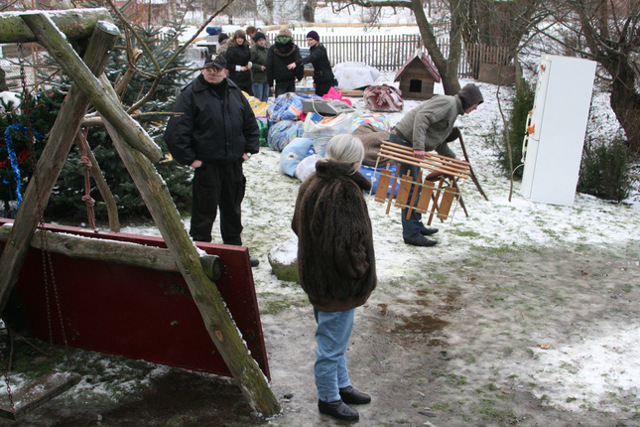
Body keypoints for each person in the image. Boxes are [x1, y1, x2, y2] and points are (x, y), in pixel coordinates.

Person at [291, 134, 377, 422]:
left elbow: (297, 224)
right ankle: (328, 398)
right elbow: (350, 246)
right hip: (338, 284)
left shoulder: (312, 181)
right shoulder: (345, 190)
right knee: (331, 345)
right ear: (356, 161)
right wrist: (358, 271)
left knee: (334, 339)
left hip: (317, 279)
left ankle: (342, 386)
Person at [164, 54, 260, 266]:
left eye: (218, 69)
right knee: (203, 215)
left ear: (225, 71)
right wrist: (190, 159)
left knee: (233, 212)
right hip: (207, 167)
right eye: (209, 69)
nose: (213, 73)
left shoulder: (234, 92)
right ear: (202, 70)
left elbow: (250, 124)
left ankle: (236, 255)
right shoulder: (190, 94)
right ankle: (200, 257)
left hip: (233, 166)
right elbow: (175, 133)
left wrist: (249, 151)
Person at [390, 83, 484, 247]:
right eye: (475, 105)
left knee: (416, 186)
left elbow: (439, 142)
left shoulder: (453, 110)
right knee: (411, 188)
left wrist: (454, 161)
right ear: (469, 100)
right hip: (404, 141)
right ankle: (411, 234)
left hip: (408, 142)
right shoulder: (448, 103)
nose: (475, 108)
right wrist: (419, 146)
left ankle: (416, 226)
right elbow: (422, 117)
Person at [296, 30, 336, 96]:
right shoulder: (313, 49)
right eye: (307, 40)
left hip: (326, 79)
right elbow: (316, 67)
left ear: (316, 40)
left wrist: (298, 62)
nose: (308, 42)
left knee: (324, 99)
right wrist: (315, 81)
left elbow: (312, 58)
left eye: (311, 40)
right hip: (319, 78)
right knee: (318, 98)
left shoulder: (320, 49)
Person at [266, 28, 304, 97]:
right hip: (291, 79)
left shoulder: (273, 48)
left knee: (280, 103)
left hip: (279, 80)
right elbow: (299, 62)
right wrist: (299, 76)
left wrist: (270, 82)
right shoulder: (294, 48)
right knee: (291, 102)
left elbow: (269, 65)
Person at [224, 29, 253, 95]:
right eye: (238, 38)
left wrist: (250, 63)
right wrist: (239, 68)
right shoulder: (231, 49)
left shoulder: (246, 47)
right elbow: (228, 64)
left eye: (241, 38)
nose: (240, 40)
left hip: (247, 77)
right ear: (235, 39)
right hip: (236, 78)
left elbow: (250, 57)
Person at [250, 31, 269, 102]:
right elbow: (250, 64)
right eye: (259, 40)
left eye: (263, 40)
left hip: (266, 77)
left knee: (265, 98)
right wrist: (259, 67)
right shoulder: (253, 50)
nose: (261, 42)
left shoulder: (266, 50)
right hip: (257, 78)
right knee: (258, 99)